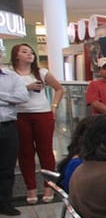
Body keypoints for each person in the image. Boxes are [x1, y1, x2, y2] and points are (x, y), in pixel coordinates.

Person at [8, 43, 64, 204]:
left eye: (31, 52)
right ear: (16, 55)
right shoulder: (10, 74)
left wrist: (53, 107)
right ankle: (31, 189)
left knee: (45, 151)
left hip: (42, 114)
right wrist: (28, 87)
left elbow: (59, 89)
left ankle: (49, 187)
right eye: (24, 52)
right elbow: (8, 94)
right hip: (19, 115)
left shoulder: (41, 72)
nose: (29, 54)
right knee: (25, 153)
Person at [0, 65, 28, 216]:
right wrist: (8, 98)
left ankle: (5, 203)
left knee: (7, 166)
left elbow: (22, 97)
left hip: (8, 125)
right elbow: (14, 98)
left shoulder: (12, 77)